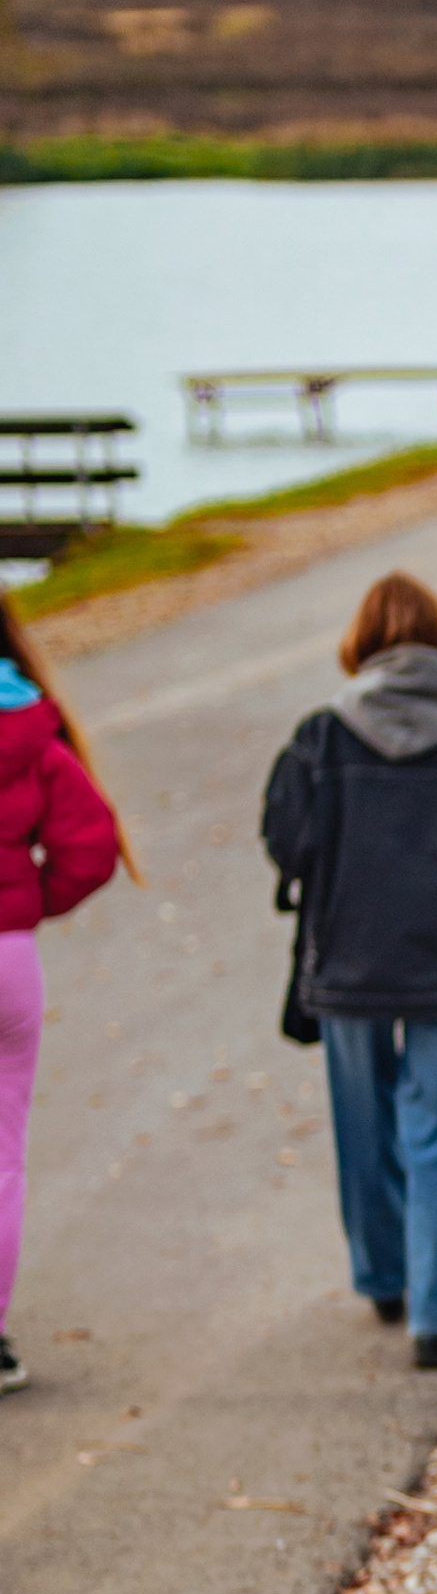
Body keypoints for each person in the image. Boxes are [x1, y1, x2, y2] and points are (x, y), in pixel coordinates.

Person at [261, 573, 437, 1371]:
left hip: (348, 965)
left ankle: (385, 1276)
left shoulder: (319, 737)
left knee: (364, 1127)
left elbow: (287, 842)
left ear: (362, 645)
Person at [0, 590, 134, 1398]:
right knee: (2, 1155)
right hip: (9, 960)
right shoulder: (28, 725)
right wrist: (25, 905)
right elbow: (89, 845)